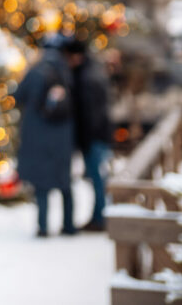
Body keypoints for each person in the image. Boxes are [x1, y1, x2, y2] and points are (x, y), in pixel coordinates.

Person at [15, 35, 76, 237]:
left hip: (37, 136)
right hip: (62, 138)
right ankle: (68, 225)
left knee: (42, 185)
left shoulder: (35, 71)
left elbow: (17, 97)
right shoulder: (66, 72)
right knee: (64, 183)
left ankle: (43, 227)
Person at [63, 37, 112, 232]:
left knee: (97, 179)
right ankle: (98, 216)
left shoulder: (86, 79)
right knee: (97, 178)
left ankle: (100, 218)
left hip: (93, 137)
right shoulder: (92, 72)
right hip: (98, 135)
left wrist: (86, 139)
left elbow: (91, 114)